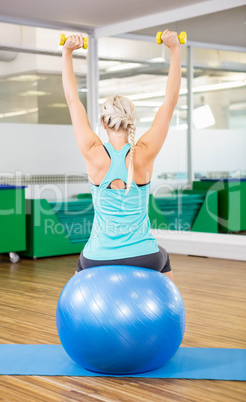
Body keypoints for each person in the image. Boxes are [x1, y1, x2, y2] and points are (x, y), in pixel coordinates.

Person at [62, 30, 181, 282]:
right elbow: (170, 102)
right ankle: (171, 319)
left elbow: (73, 101)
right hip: (144, 254)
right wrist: (175, 48)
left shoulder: (93, 152)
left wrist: (67, 52)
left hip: (98, 256)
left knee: (81, 265)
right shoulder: (145, 152)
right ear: (132, 122)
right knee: (164, 256)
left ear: (103, 123)